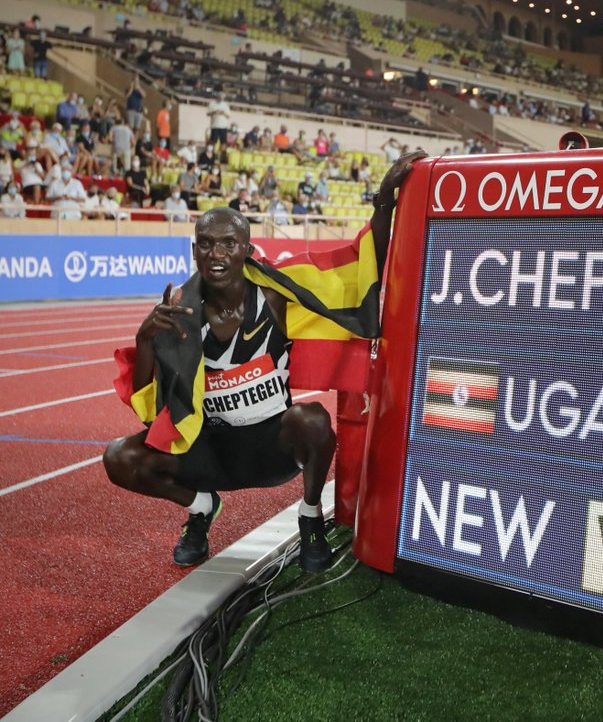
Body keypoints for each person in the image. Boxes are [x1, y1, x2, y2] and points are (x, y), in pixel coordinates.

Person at [102, 153, 423, 570]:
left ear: (247, 249)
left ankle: (310, 517)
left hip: (270, 447)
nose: (217, 253)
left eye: (228, 243)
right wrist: (144, 340)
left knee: (312, 419)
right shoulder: (178, 313)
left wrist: (383, 201)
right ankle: (200, 507)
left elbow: (357, 267)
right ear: (194, 251)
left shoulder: (276, 296)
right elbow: (150, 408)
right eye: (206, 244)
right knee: (119, 457)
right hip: (208, 449)